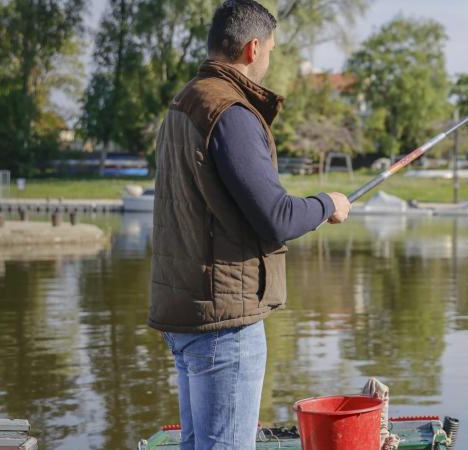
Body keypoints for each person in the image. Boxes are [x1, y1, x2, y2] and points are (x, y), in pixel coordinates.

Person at [147, 1, 351, 449]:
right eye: (271, 51)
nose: (270, 60)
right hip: (224, 323)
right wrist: (327, 203)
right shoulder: (230, 113)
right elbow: (275, 217)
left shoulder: (184, 102)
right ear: (252, 48)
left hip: (187, 312)